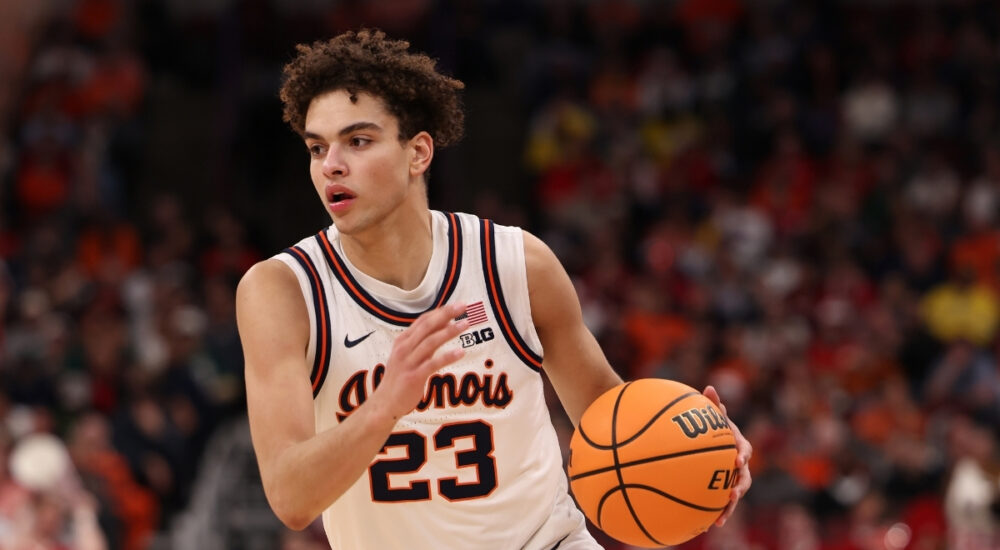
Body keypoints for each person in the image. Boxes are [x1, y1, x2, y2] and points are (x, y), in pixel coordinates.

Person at [236, 29, 752, 549]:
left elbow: (609, 416)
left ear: (418, 153)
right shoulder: (283, 291)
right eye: (317, 147)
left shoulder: (513, 264)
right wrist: (384, 406)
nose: (331, 165)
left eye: (358, 141)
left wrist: (700, 445)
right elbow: (291, 498)